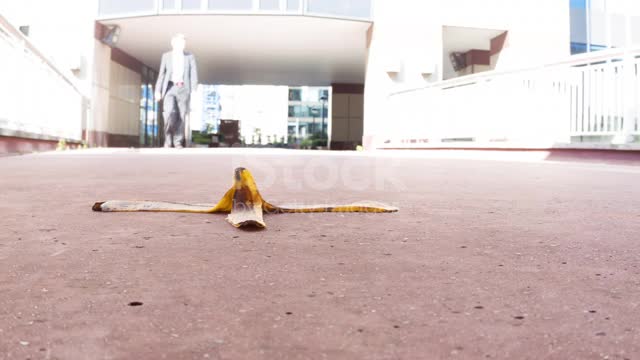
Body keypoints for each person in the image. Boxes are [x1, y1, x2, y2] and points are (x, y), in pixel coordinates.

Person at [155, 34, 198, 148]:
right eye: (181, 42)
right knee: (168, 113)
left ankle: (178, 141)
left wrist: (194, 89)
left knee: (181, 115)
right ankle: (168, 139)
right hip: (169, 87)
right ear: (173, 44)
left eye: (184, 43)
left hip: (184, 88)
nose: (183, 45)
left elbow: (193, 73)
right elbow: (161, 74)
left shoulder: (190, 56)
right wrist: (157, 91)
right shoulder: (166, 56)